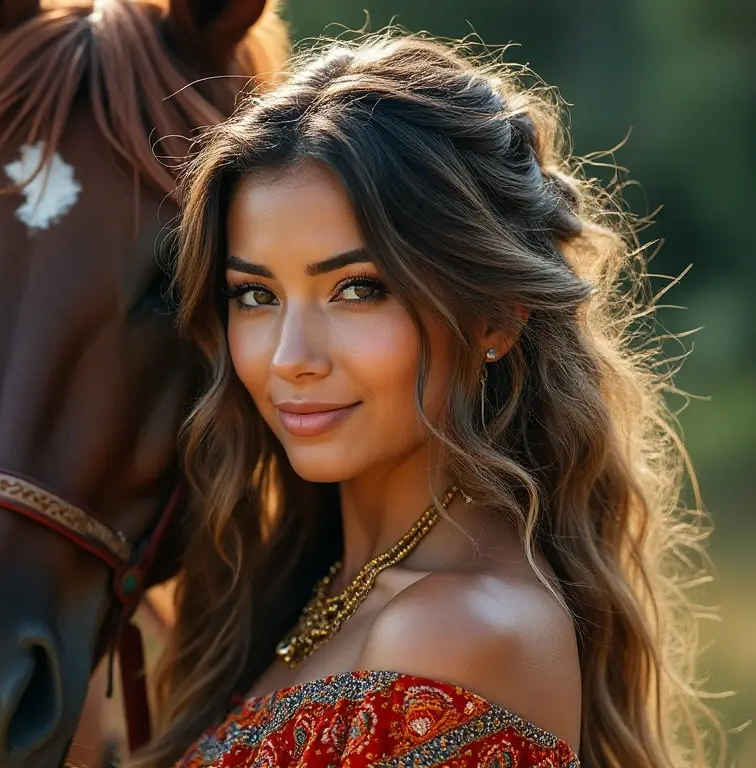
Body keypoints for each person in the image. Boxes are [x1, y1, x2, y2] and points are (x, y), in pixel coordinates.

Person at [135, 30, 717, 768]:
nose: (289, 359)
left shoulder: (460, 634)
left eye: (357, 289)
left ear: (496, 316)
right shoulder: (293, 598)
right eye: (255, 295)